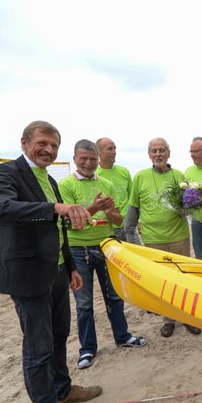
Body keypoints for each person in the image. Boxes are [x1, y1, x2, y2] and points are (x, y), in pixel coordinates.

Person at [0, 121, 102, 403]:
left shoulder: (49, 179)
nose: (49, 150)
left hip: (58, 271)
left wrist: (72, 268)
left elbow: (58, 225)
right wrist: (55, 206)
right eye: (42, 143)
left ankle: (62, 389)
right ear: (24, 142)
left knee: (59, 336)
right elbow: (0, 208)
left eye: (54, 146)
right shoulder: (6, 172)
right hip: (27, 275)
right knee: (37, 348)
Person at [59, 140, 146, 370]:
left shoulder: (106, 183)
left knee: (114, 296)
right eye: (83, 158)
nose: (88, 163)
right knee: (84, 303)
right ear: (75, 159)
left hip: (106, 245)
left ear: (98, 160)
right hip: (78, 250)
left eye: (92, 159)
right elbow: (70, 224)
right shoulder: (66, 185)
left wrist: (109, 211)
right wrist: (96, 208)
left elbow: (117, 221)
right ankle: (87, 349)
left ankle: (122, 336)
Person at [123, 137, 202, 338]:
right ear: (149, 154)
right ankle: (168, 320)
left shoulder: (179, 175)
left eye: (161, 150)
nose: (158, 154)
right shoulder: (140, 176)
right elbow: (133, 207)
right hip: (153, 239)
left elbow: (188, 204)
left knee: (182, 279)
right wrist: (129, 232)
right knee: (163, 282)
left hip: (179, 237)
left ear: (168, 153)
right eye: (154, 151)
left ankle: (187, 318)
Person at [95, 137, 134, 240]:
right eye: (110, 149)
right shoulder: (95, 175)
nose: (114, 152)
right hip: (109, 228)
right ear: (99, 152)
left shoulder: (124, 171)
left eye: (114, 148)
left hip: (128, 226)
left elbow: (133, 198)